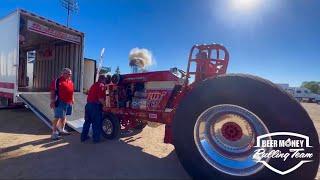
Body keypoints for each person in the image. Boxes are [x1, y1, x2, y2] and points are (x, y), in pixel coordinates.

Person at [81, 74, 107, 143]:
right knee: (96, 123)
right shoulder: (101, 85)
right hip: (94, 106)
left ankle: (83, 137)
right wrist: (105, 105)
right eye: (105, 80)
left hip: (88, 105)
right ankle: (96, 139)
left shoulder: (94, 85)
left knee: (87, 122)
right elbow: (100, 98)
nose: (105, 81)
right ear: (103, 79)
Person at [50, 68, 74, 140]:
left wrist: (72, 99)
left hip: (68, 102)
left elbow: (71, 91)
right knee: (57, 117)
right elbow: (53, 92)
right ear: (63, 73)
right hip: (60, 101)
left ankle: (62, 130)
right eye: (68, 73)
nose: (70, 75)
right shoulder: (56, 81)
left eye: (70, 74)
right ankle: (54, 133)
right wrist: (52, 101)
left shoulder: (70, 81)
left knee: (64, 117)